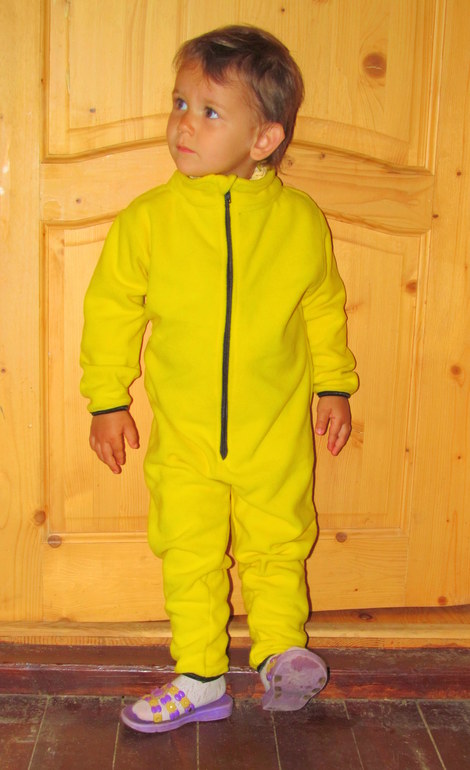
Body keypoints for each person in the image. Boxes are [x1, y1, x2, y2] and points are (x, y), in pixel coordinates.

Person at [80, 25, 358, 734]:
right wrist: (107, 398)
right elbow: (112, 309)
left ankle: (280, 654)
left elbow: (323, 306)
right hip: (187, 436)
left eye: (208, 111)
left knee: (279, 542)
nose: (184, 123)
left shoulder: (299, 221)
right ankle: (200, 676)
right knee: (190, 551)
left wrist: (334, 386)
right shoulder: (151, 220)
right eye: (179, 103)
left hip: (274, 430)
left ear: (263, 139)